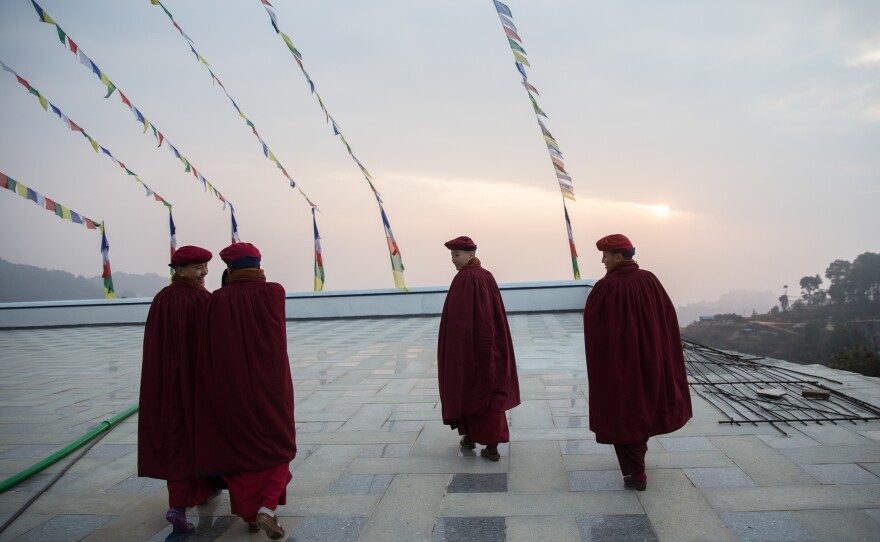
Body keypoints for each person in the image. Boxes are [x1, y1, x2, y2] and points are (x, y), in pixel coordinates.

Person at [194, 242, 296, 540]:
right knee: (280, 444)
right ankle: (267, 507)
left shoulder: (217, 300)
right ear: (258, 264)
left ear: (228, 269)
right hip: (270, 384)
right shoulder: (274, 292)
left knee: (239, 447)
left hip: (231, 385)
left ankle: (251, 514)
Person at [583, 234, 692, 491]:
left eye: (606, 256)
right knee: (643, 407)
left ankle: (636, 473)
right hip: (649, 359)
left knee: (623, 411)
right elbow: (666, 318)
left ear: (619, 257)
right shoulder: (650, 280)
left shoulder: (607, 287)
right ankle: (637, 463)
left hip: (620, 363)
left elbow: (595, 329)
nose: (603, 260)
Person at [138, 245, 223, 534]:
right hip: (195, 385)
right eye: (199, 267)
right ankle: (179, 505)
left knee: (175, 438)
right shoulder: (201, 299)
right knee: (196, 438)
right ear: (180, 270)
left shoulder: (161, 298)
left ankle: (196, 494)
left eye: (206, 266)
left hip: (166, 384)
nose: (205, 272)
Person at [437, 236, 521, 461]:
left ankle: (489, 446)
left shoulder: (465, 278)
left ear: (471, 254)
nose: (453, 260)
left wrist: (459, 349)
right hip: (490, 343)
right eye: (452, 255)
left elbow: (462, 323)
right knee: (487, 387)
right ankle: (473, 438)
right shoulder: (486, 276)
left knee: (470, 386)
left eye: (457, 255)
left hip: (472, 346)